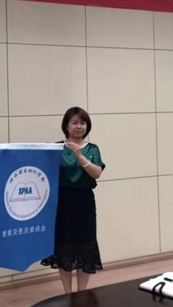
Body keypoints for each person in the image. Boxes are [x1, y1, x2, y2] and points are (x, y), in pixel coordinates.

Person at [41, 106, 106, 294]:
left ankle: (82, 292)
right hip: (62, 202)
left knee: (85, 244)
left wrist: (79, 156)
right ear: (66, 126)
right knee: (65, 245)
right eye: (75, 122)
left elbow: (97, 173)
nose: (79, 126)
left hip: (84, 202)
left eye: (83, 123)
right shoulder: (57, 148)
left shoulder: (93, 149)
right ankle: (68, 293)